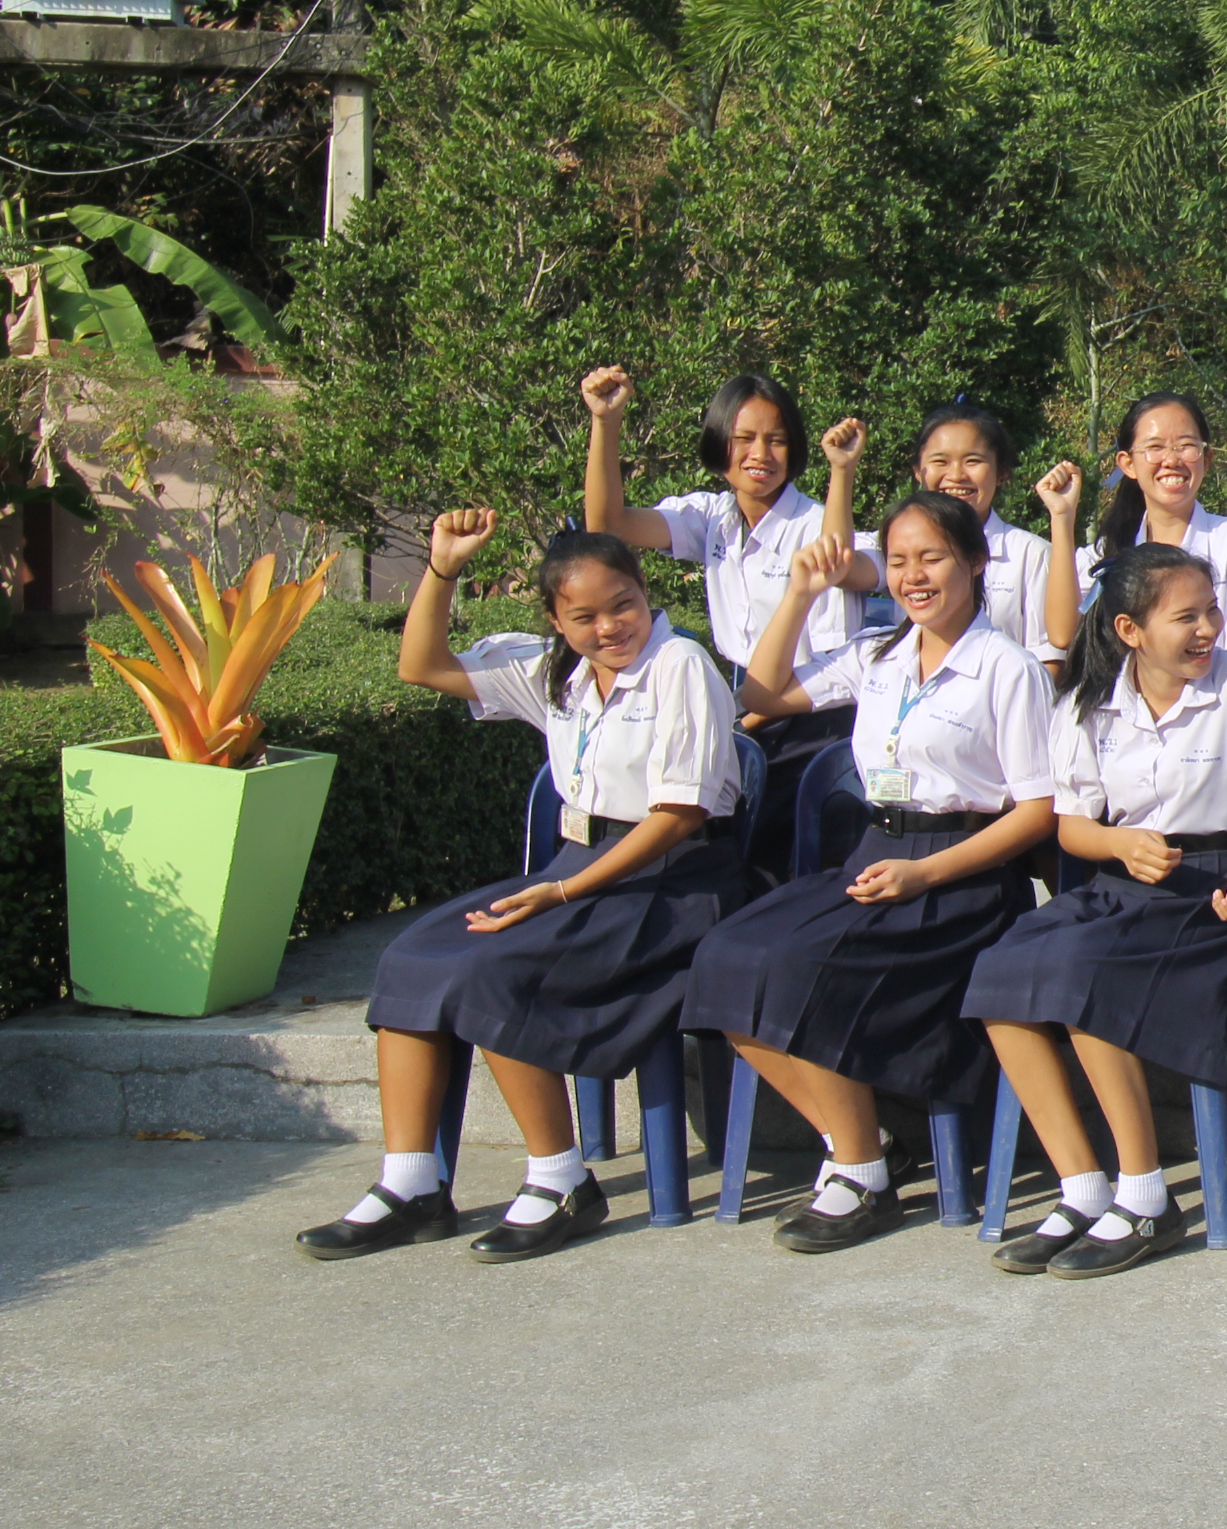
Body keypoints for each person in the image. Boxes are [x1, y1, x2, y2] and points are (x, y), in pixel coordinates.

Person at [300, 515, 750, 1263]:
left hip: (671, 883)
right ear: (555, 619)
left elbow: (680, 815)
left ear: (645, 592)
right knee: (411, 958)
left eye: (623, 604)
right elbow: (421, 666)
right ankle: (412, 1183)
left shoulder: (681, 666)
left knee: (495, 969)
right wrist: (442, 569)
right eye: (585, 616)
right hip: (574, 868)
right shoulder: (553, 670)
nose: (610, 627)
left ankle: (561, 1179)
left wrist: (561, 896)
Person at [684, 493, 1057, 1254]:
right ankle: (859, 1142)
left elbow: (1037, 813)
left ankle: (860, 1176)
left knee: (797, 966)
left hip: (961, 881)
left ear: (974, 562)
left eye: (932, 558)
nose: (913, 576)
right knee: (724, 957)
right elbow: (759, 695)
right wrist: (800, 593)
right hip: (875, 860)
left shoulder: (1007, 668)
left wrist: (927, 877)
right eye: (897, 561)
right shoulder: (878, 656)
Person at [963, 545, 1227, 1279]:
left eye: (1211, 611)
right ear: (1130, 630)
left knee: (1082, 973)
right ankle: (1083, 1186)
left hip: (1219, 898)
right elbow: (1073, 827)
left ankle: (1144, 1196)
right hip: (1129, 888)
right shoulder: (1091, 700)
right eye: (1186, 617)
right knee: (1002, 972)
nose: (1208, 630)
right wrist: (1119, 843)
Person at [579, 364, 871, 875]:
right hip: (745, 711)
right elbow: (609, 525)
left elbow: (838, 559)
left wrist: (841, 474)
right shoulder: (712, 518)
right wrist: (606, 421)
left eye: (776, 440)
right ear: (720, 443)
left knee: (763, 863)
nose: (761, 454)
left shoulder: (816, 523)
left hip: (816, 721)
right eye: (744, 439)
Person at [1038, 391, 1227, 666]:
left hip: (1216, 692)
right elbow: (1064, 636)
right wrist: (1062, 517)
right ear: (1127, 464)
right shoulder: (1109, 551)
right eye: (1154, 447)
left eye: (1185, 445)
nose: (1171, 460)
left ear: (1206, 459)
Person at [906, 397, 1068, 670]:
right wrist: (843, 469)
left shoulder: (1031, 554)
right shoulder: (898, 543)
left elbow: (1050, 659)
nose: (956, 475)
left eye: (973, 461)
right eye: (940, 461)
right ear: (917, 472)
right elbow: (842, 565)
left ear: (1001, 472)